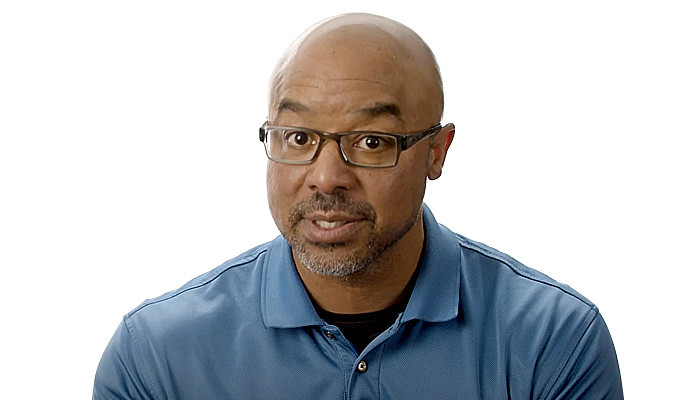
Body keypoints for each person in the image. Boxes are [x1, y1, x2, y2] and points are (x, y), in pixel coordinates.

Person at [93, 13, 623, 399]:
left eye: (371, 142)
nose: (327, 178)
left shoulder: (552, 342)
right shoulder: (157, 356)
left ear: (436, 153)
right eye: (298, 137)